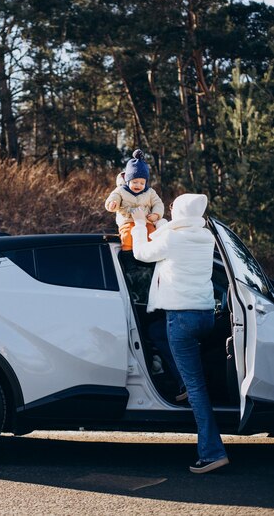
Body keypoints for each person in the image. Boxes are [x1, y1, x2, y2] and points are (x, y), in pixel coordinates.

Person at [131, 193, 229, 474]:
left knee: (198, 389)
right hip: (204, 316)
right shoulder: (205, 237)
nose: (170, 209)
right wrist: (159, 221)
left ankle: (212, 452)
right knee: (156, 330)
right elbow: (172, 232)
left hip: (182, 319)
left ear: (181, 212)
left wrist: (139, 224)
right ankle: (184, 384)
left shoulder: (172, 240)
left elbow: (142, 253)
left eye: (173, 207)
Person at [105, 149, 165, 251]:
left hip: (147, 222)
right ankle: (129, 258)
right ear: (128, 181)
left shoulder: (150, 192)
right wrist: (112, 204)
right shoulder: (121, 190)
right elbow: (114, 197)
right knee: (127, 237)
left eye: (142, 183)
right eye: (135, 182)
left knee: (151, 236)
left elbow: (158, 204)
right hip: (128, 221)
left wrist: (156, 214)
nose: (138, 185)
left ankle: (149, 260)